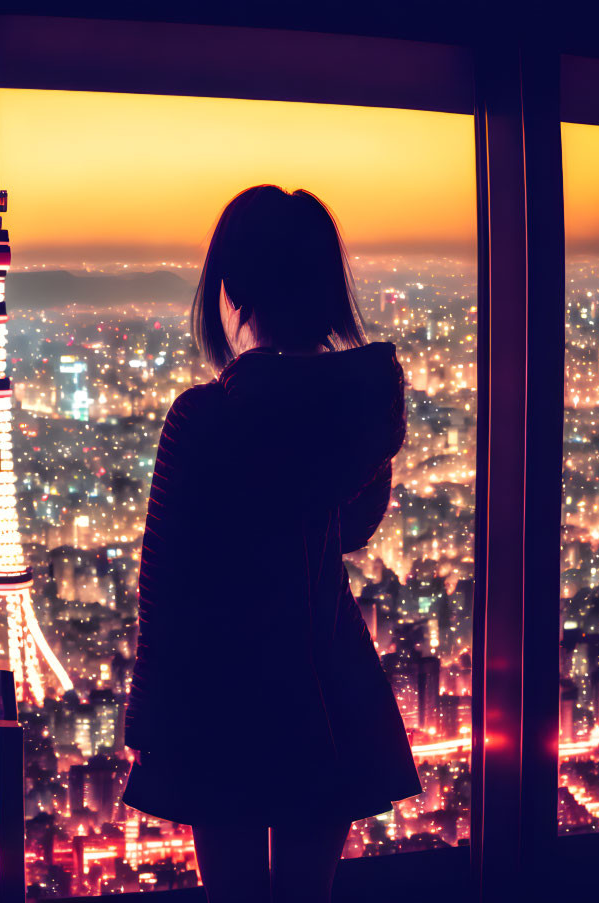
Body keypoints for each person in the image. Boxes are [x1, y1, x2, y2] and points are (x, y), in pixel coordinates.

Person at [122, 185, 422, 902]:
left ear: (233, 286)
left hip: (222, 695)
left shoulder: (203, 417)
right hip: (327, 689)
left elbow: (162, 584)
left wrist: (148, 718)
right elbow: (350, 530)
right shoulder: (359, 411)